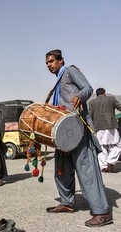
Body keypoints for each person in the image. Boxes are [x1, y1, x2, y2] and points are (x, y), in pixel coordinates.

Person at [45, 49, 112, 227]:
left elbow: (88, 88)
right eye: (47, 63)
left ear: (60, 61)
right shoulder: (58, 81)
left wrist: (79, 96)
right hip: (63, 132)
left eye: (51, 61)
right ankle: (67, 202)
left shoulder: (70, 71)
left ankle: (102, 212)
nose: (49, 65)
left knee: (86, 169)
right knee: (62, 169)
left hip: (77, 128)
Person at [89, 87, 121, 172]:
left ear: (96, 95)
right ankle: (111, 160)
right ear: (105, 93)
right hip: (111, 125)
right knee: (116, 145)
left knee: (102, 147)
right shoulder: (111, 99)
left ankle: (103, 167)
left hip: (99, 127)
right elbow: (119, 107)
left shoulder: (92, 102)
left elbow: (90, 116)